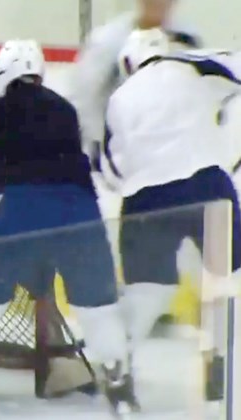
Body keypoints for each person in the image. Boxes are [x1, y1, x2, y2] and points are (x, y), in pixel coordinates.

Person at [0, 40, 136, 417]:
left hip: (20, 206)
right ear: (38, 72)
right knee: (98, 309)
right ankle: (121, 392)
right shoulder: (62, 106)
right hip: (80, 208)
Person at [103, 28, 241, 402]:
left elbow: (113, 171)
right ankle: (221, 365)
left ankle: (119, 374)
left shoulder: (119, 97)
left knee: (148, 290)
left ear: (127, 64)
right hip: (208, 187)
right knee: (226, 280)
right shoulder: (193, 68)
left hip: (146, 199)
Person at [70, 0, 201, 172]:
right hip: (121, 154)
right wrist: (97, 146)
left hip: (172, 154)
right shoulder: (110, 40)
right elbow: (85, 97)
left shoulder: (187, 40)